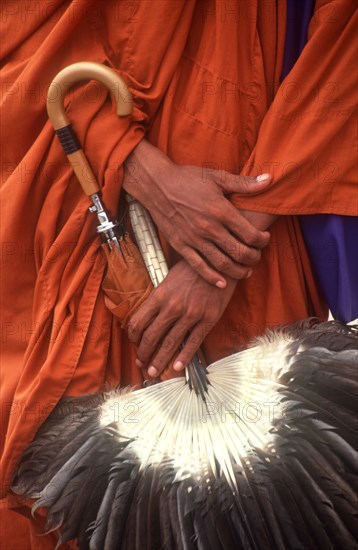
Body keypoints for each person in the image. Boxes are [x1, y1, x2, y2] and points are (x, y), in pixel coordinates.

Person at [1, 1, 356, 548]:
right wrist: (140, 167)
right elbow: (23, 27)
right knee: (61, 504)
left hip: (261, 208)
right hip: (75, 188)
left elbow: (345, 49)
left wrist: (225, 251)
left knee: (257, 504)